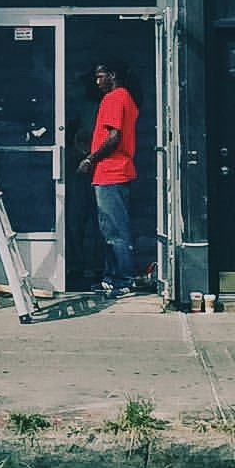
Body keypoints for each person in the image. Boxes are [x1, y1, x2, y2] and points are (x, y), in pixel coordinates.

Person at [77, 62, 139, 298]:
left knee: (115, 231)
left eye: (101, 76)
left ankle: (123, 281)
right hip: (114, 171)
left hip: (111, 172)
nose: (97, 82)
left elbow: (114, 137)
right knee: (110, 230)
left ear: (113, 75)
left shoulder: (114, 98)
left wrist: (90, 159)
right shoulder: (126, 98)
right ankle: (111, 279)